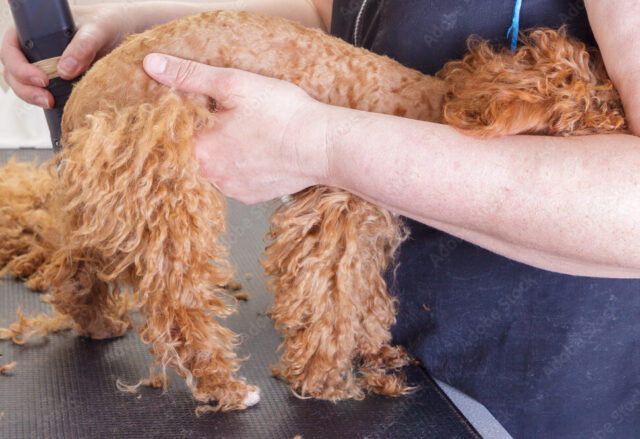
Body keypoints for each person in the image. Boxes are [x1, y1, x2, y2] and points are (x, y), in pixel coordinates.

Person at [2, 1, 639, 437]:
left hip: (543, 396)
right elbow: (335, 14)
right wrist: (133, 23)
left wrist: (323, 147)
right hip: (390, 362)